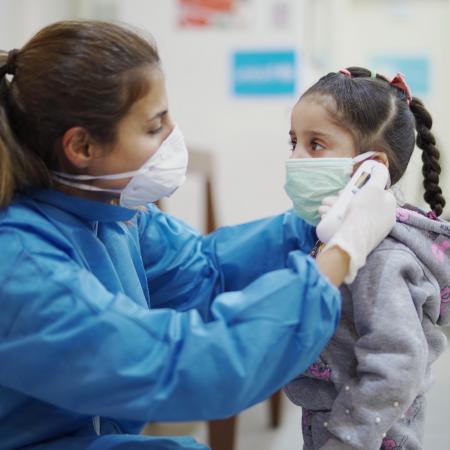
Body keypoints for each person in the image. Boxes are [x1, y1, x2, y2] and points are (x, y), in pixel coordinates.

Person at [0, 21, 395, 450]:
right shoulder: (20, 267)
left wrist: (317, 222)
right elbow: (193, 364)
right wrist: (341, 252)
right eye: (154, 127)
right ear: (81, 147)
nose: (173, 137)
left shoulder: (115, 214)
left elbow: (206, 269)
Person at [283, 66, 450, 450]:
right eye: (293, 141)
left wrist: (347, 440)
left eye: (316, 144)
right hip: (331, 423)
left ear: (370, 169)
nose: (296, 157)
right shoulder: (330, 238)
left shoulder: (383, 259)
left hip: (366, 437)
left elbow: (397, 366)